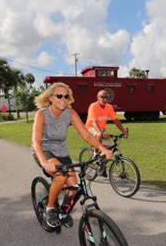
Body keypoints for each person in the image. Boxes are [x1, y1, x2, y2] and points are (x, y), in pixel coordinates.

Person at [32, 82, 112, 228]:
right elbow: (36, 141)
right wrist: (44, 161)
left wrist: (102, 148)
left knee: (74, 187)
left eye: (66, 96)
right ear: (50, 97)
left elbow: (86, 135)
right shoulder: (42, 114)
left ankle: (62, 212)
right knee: (61, 175)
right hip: (44, 151)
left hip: (61, 152)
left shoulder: (70, 113)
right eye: (59, 96)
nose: (63, 99)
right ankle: (50, 209)